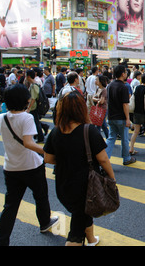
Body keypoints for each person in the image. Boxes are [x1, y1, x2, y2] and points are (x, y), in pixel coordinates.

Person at [44, 90, 115, 246]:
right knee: (76, 231)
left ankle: (91, 240)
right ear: (82, 109)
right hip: (85, 187)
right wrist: (111, 178)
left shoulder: (55, 131)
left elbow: (48, 158)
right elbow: (103, 159)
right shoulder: (89, 130)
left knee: (82, 212)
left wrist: (67, 159)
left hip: (63, 185)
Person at [0, 84, 58, 246]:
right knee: (41, 196)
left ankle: (1, 241)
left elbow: (3, 134)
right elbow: (28, 143)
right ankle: (44, 223)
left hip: (10, 167)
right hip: (31, 166)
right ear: (24, 100)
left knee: (10, 206)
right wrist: (46, 151)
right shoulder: (27, 118)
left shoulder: (2, 117)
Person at [106, 65, 135, 165]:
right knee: (124, 139)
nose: (127, 74)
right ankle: (126, 158)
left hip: (111, 116)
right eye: (126, 72)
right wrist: (128, 119)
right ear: (123, 74)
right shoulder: (123, 86)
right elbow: (125, 104)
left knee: (111, 138)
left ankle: (104, 159)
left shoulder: (110, 85)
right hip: (121, 118)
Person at [129, 73, 145, 155]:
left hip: (136, 112)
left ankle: (131, 148)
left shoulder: (137, 88)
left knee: (136, 131)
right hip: (144, 113)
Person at [26, 69, 46, 143]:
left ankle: (40, 137)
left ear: (28, 76)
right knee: (35, 121)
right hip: (35, 106)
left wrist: (29, 108)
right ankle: (40, 135)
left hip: (34, 106)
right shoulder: (34, 84)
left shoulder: (34, 85)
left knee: (36, 122)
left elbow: (33, 98)